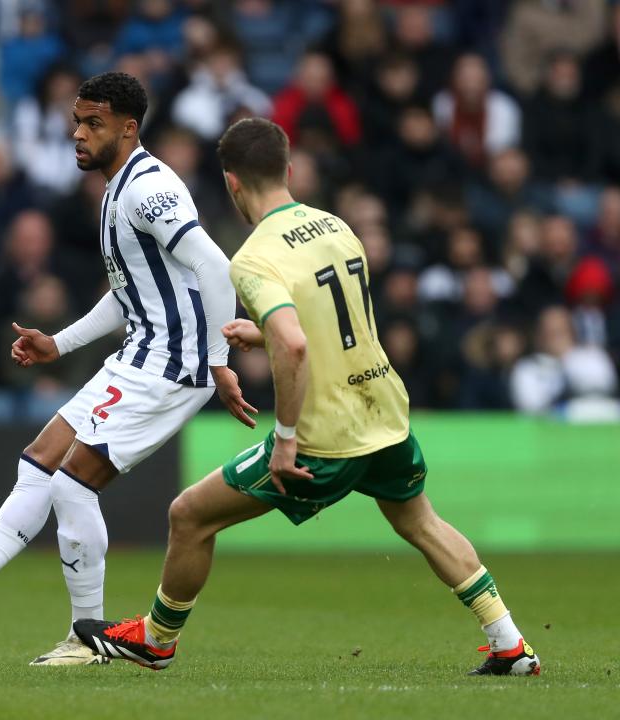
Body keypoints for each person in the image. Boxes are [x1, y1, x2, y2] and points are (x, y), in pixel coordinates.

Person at [73, 118, 540, 678]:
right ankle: (509, 642)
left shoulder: (253, 258)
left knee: (189, 515)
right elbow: (332, 321)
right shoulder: (335, 226)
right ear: (289, 170)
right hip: (384, 410)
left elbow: (295, 344)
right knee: (419, 521)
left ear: (232, 184)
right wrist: (264, 330)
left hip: (326, 435)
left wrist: (287, 439)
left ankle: (157, 639)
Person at [0, 72, 252, 666]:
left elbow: (216, 267)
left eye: (93, 123)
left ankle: (85, 638)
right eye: (76, 121)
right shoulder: (115, 190)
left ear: (128, 126)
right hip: (141, 349)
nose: (78, 134)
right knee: (40, 461)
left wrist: (217, 362)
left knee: (71, 481)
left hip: (172, 361)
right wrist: (58, 345)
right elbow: (127, 292)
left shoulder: (148, 190)